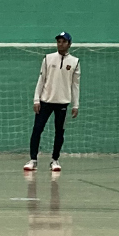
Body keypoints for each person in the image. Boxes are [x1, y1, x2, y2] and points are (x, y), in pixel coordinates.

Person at [25, 31, 80, 172]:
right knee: (37, 129)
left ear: (69, 44)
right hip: (45, 101)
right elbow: (41, 80)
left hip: (63, 103)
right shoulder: (48, 58)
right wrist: (36, 99)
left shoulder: (75, 62)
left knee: (59, 132)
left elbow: (75, 85)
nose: (60, 44)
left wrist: (75, 105)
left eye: (63, 41)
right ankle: (33, 160)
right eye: (58, 41)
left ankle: (55, 160)